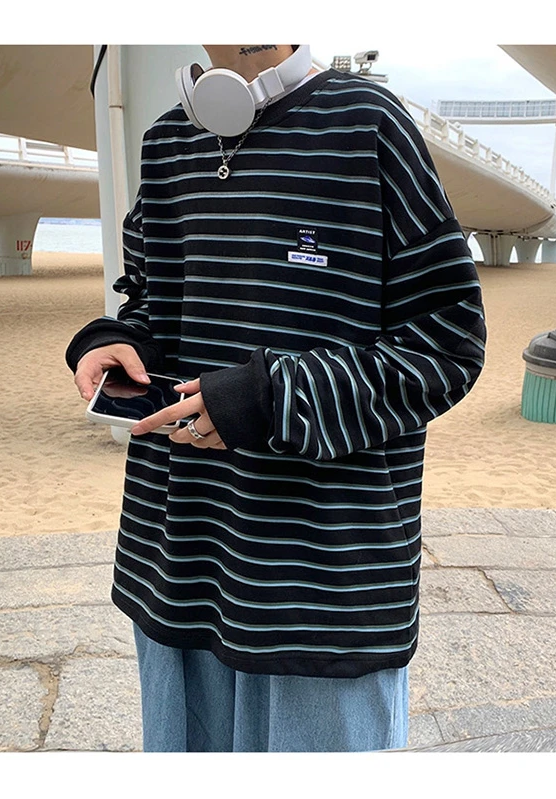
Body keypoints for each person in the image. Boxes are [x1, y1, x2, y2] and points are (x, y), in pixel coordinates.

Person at [66, 44, 486, 752]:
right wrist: (112, 341)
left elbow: (449, 342)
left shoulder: (370, 123)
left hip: (319, 578)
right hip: (180, 553)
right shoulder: (167, 141)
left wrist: (267, 397)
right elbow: (151, 302)